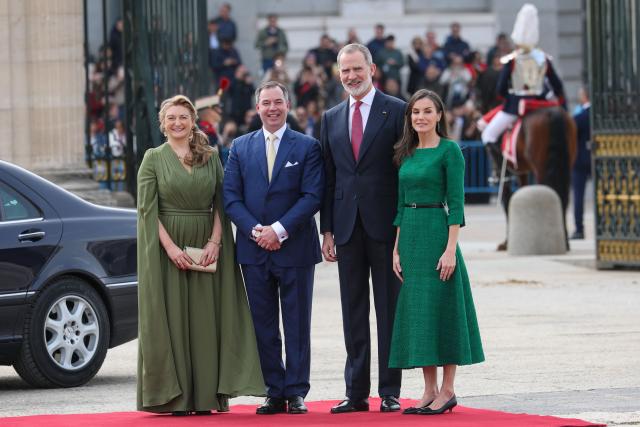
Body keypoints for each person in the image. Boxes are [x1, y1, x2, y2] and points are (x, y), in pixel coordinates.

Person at [136, 95, 265, 415]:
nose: (177, 123)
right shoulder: (152, 158)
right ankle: (177, 398)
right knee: (175, 319)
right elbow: (147, 212)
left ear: (193, 120)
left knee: (206, 322)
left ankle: (207, 395)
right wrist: (170, 249)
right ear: (162, 124)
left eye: (183, 117)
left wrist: (215, 243)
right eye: (171, 118)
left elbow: (222, 203)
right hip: (169, 249)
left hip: (207, 250)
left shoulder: (209, 156)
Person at [223, 81, 324, 415]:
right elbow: (231, 198)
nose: (272, 108)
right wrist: (256, 231)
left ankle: (296, 391)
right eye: (266, 103)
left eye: (278, 102)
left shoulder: (307, 146)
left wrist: (278, 231)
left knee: (297, 323)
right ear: (257, 108)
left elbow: (312, 196)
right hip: (254, 250)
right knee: (262, 323)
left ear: (288, 104)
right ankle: (273, 389)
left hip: (294, 248)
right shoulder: (240, 147)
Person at [320, 43, 406, 414]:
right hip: (346, 228)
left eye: (357, 69)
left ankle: (389, 390)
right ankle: (355, 391)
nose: (351, 76)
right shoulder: (331, 117)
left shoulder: (398, 111)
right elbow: (328, 177)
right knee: (352, 311)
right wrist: (326, 230)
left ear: (372, 69)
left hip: (385, 226)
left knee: (388, 310)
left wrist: (404, 229)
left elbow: (404, 173)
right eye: (345, 71)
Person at [389, 89, 484, 415]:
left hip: (436, 231)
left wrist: (450, 250)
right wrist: (396, 249)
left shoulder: (450, 151)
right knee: (420, 313)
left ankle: (448, 389)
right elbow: (400, 205)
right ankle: (428, 389)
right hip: (411, 237)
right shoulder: (407, 152)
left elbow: (456, 205)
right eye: (416, 112)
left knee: (443, 310)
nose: (421, 117)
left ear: (439, 115)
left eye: (427, 111)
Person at [480, 3, 566, 150]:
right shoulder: (544, 58)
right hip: (541, 103)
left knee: (488, 135)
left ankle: (503, 172)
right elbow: (557, 86)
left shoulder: (512, 59)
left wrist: (509, 97)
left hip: (516, 106)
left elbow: (500, 90)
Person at [571, 86, 591, 240]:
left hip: (580, 159)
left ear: (585, 97)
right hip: (598, 158)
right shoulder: (599, 114)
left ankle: (579, 228)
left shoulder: (580, 117)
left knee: (578, 196)